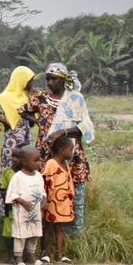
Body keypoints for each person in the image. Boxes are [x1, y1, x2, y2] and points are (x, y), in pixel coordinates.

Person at [24, 63, 93, 238]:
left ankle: (72, 237)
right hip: (46, 154)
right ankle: (43, 237)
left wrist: (62, 132)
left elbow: (85, 126)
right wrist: (39, 123)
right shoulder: (39, 98)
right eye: (47, 78)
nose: (49, 82)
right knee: (45, 192)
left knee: (72, 192)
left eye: (53, 78)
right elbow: (23, 112)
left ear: (63, 79)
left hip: (71, 154)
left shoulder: (75, 99)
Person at [5, 145, 47, 265]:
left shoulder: (38, 176)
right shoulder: (17, 177)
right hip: (22, 212)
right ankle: (19, 259)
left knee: (34, 234)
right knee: (21, 235)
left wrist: (44, 201)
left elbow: (43, 191)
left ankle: (32, 257)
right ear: (24, 161)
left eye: (40, 159)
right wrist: (23, 202)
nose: (39, 162)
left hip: (35, 212)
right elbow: (12, 195)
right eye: (36, 160)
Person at [42, 134, 76, 264]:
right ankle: (46, 254)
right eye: (70, 150)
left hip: (63, 204)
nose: (71, 152)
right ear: (62, 150)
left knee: (60, 228)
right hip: (52, 203)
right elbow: (45, 182)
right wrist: (44, 201)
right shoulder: (51, 163)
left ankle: (61, 255)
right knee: (49, 227)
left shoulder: (65, 163)